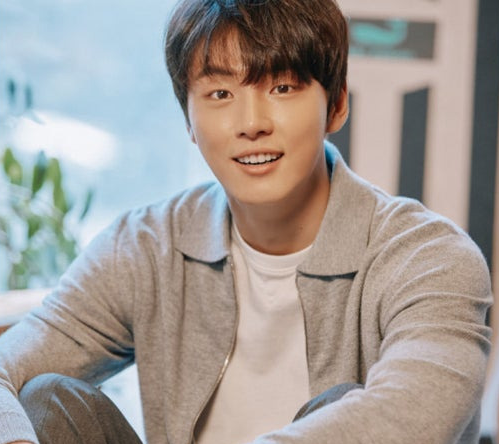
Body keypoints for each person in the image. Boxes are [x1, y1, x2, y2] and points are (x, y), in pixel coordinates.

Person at [0, 0, 493, 443]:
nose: (251, 123)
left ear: (337, 104)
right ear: (188, 120)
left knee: (342, 402)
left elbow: (416, 412)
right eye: (219, 94)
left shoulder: (428, 257)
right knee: (46, 402)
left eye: (282, 87)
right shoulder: (146, 246)